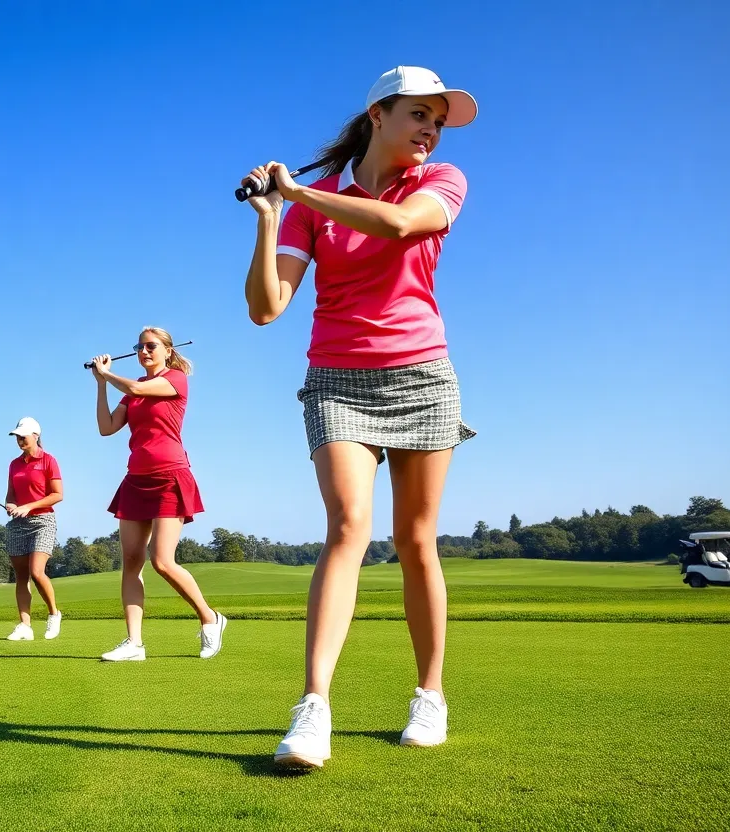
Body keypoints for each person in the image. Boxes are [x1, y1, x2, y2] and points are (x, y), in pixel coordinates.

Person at [241, 66, 478, 768]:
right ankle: (313, 708)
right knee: (347, 526)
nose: (431, 128)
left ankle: (428, 695)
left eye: (438, 118)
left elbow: (401, 225)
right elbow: (265, 308)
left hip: (422, 376)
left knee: (415, 540)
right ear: (378, 115)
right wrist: (273, 216)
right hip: (338, 380)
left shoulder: (444, 183)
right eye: (419, 114)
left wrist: (298, 189)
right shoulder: (313, 209)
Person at [91, 327, 226, 661]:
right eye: (139, 346)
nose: (143, 351)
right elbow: (107, 428)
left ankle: (210, 618)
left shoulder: (175, 379)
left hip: (169, 476)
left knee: (162, 561)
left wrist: (107, 374)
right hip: (135, 479)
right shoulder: (130, 392)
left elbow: (137, 385)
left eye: (150, 346)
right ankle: (134, 643)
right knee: (131, 563)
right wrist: (100, 385)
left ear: (168, 350)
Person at [3, 417, 64, 641]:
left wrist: (29, 506)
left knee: (37, 572)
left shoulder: (48, 460)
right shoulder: (14, 464)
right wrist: (11, 504)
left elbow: (57, 495)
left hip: (43, 521)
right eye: (17, 437)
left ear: (36, 436)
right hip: (19, 524)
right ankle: (25, 626)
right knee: (21, 576)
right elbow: (11, 493)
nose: (20, 440)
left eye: (23, 436)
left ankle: (54, 614)